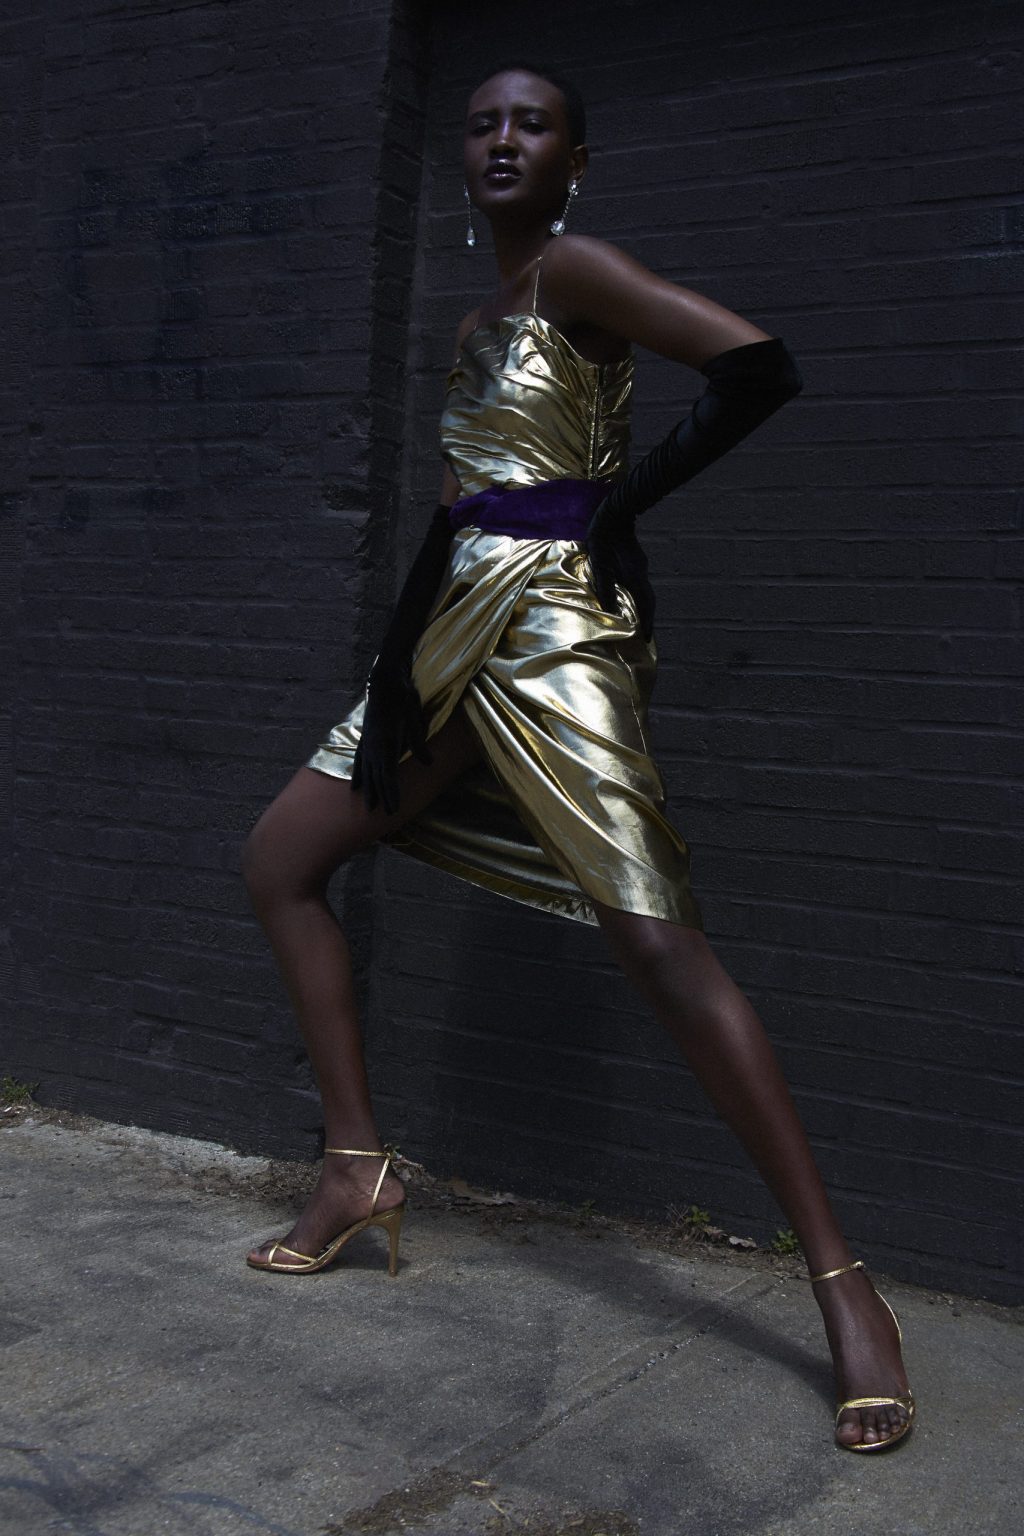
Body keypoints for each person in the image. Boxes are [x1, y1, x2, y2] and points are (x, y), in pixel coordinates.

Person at [240, 63, 914, 1453]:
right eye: (482, 123)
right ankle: (356, 1167)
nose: (502, 140)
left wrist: (616, 507)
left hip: (553, 631)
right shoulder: (478, 317)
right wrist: (398, 666)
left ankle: (846, 1287)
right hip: (450, 628)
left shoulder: (578, 270)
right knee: (282, 861)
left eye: (531, 124)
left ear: (575, 159)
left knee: (660, 945)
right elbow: (453, 511)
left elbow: (757, 366)